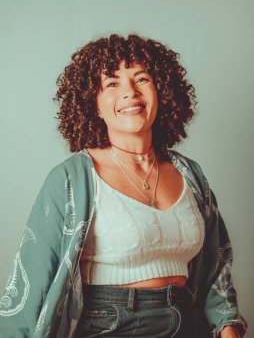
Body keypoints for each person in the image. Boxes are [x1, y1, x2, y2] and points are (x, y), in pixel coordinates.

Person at [0, 34, 247, 338]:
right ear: (94, 103)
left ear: (162, 92)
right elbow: (29, 287)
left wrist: (228, 328)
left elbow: (216, 269)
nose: (130, 92)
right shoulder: (72, 179)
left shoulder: (190, 174)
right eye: (112, 83)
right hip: (110, 324)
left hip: (188, 322)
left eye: (141, 79)